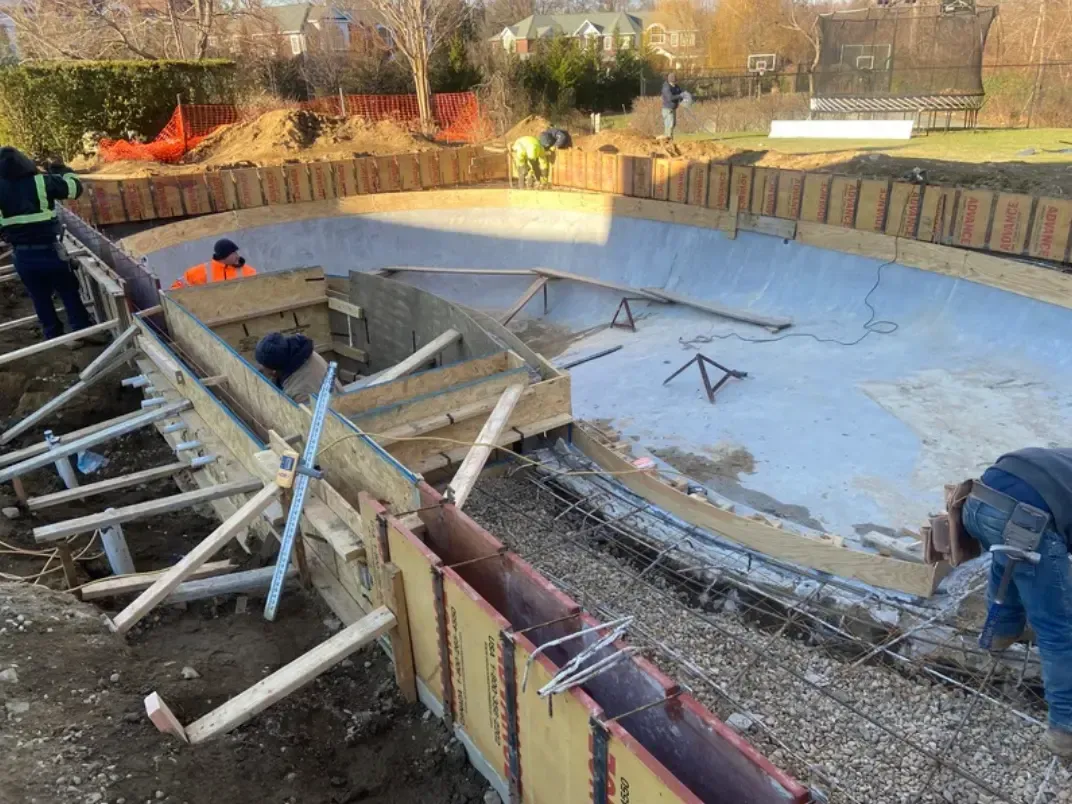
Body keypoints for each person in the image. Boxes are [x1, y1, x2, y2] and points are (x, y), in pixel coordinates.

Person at [960, 448, 1072, 758]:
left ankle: (999, 634)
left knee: (1006, 558)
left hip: (978, 501)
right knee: (1059, 626)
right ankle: (1066, 728)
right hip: (1025, 518)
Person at [0, 147, 95, 340]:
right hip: (50, 251)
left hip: (22, 255)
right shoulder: (42, 182)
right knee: (68, 290)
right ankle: (82, 331)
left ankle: (53, 336)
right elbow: (74, 189)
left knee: (39, 297)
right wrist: (62, 170)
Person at [255, 332, 342, 405]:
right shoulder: (303, 354)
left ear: (273, 372)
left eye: (263, 365)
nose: (260, 367)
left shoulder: (298, 393)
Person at [170, 238, 256, 289]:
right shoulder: (200, 271)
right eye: (233, 253)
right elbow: (176, 289)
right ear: (224, 256)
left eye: (236, 252)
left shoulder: (249, 272)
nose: (237, 256)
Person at [661, 73, 684, 141]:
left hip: (673, 108)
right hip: (667, 109)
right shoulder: (666, 87)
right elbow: (670, 98)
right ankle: (668, 139)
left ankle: (667, 138)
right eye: (674, 81)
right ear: (670, 81)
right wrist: (679, 96)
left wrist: (683, 97)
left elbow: (680, 93)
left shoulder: (676, 87)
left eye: (676, 81)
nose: (675, 82)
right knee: (669, 124)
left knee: (673, 124)